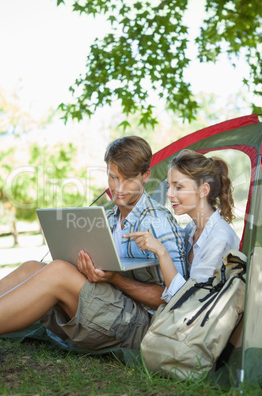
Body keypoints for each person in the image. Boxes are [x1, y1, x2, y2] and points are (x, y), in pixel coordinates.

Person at [0, 136, 186, 350]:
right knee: (31, 267)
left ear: (145, 176)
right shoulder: (106, 219)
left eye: (128, 180)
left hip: (142, 325)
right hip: (109, 308)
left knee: (58, 271)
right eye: (113, 177)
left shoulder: (159, 222)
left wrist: (116, 279)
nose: (118, 188)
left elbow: (178, 299)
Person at [124, 149, 240, 302]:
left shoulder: (219, 239)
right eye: (169, 186)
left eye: (178, 187)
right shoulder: (191, 230)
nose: (169, 194)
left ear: (203, 190)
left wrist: (161, 251)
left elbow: (192, 301)